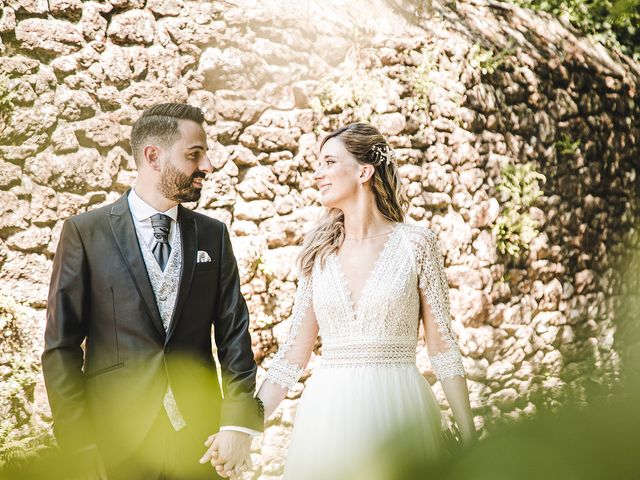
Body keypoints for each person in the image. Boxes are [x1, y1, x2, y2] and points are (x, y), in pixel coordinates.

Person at [42, 103, 263, 480]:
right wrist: (79, 444)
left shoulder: (213, 234)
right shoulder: (85, 233)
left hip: (201, 442)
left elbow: (234, 338)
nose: (207, 166)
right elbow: (60, 348)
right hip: (116, 442)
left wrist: (237, 424)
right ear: (153, 156)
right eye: (195, 154)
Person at [257, 122, 477, 479]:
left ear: (364, 171)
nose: (317, 174)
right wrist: (244, 425)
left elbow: (442, 348)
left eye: (329, 162)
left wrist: (469, 434)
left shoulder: (417, 244)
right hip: (328, 416)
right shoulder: (318, 253)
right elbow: (291, 357)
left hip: (400, 409)